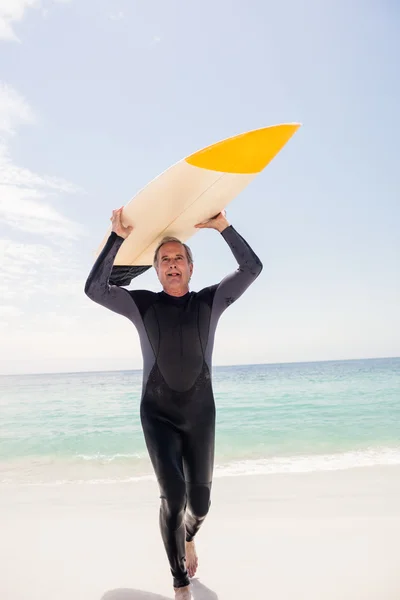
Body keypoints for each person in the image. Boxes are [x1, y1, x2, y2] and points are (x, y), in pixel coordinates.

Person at [84, 206, 263, 600]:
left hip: (200, 415)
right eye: (164, 260)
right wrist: (116, 237)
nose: (172, 264)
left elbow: (252, 268)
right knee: (174, 496)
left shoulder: (210, 301)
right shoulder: (143, 304)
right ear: (157, 270)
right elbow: (94, 289)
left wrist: (223, 227)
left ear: (191, 267)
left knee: (200, 505)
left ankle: (189, 535)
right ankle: (179, 582)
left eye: (178, 257)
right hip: (158, 414)